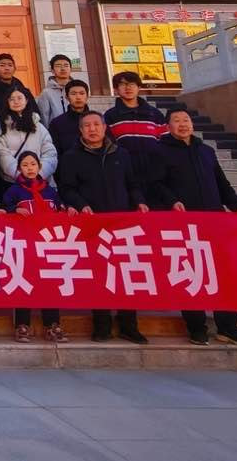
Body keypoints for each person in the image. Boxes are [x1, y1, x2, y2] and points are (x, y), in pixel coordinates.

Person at [151, 106, 237, 346]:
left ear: (192, 123)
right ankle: (196, 327)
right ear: (168, 126)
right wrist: (172, 201)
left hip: (214, 220)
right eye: (176, 121)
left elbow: (221, 182)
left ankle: (228, 328)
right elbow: (155, 184)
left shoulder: (206, 151)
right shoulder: (159, 151)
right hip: (183, 222)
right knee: (190, 274)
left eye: (185, 120)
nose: (182, 124)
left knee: (223, 274)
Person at [56, 111, 151, 344]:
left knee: (125, 275)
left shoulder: (121, 154)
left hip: (121, 224)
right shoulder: (71, 157)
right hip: (92, 224)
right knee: (99, 275)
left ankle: (129, 325)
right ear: (80, 130)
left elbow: (132, 184)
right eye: (87, 126)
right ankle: (102, 325)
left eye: (96, 124)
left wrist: (139, 201)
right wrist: (81, 204)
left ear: (105, 127)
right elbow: (66, 188)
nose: (92, 129)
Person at [1, 151, 70, 343]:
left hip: (47, 245)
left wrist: (68, 210)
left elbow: (60, 210)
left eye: (33, 164)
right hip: (24, 245)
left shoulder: (50, 191)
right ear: (19, 169)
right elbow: (2, 211)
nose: (29, 168)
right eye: (25, 165)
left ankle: (52, 324)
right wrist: (14, 210)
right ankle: (22, 325)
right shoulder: (14, 191)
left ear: (39, 167)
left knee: (49, 284)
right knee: (24, 283)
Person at [104, 71, 168, 194]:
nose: (128, 88)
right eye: (123, 84)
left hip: (155, 171)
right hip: (125, 172)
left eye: (132, 84)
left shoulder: (155, 114)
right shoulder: (110, 116)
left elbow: (165, 141)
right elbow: (108, 145)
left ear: (139, 87)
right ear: (116, 89)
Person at [0, 88, 58, 188]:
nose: (16, 102)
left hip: (40, 182)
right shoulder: (2, 128)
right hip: (13, 183)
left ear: (27, 100)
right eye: (12, 99)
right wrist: (20, 175)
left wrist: (39, 174)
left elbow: (50, 153)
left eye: (20, 98)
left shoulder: (38, 126)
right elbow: (3, 155)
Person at [0, 52, 35, 121]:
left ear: (15, 68)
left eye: (10, 65)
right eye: (2, 65)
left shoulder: (23, 90)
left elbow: (35, 111)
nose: (7, 68)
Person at [47, 79, 91, 158]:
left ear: (87, 96)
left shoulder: (97, 120)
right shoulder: (57, 123)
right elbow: (53, 151)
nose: (78, 97)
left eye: (82, 93)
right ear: (67, 97)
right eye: (73, 94)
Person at [36, 53, 75, 124]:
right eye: (58, 66)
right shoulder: (46, 93)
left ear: (71, 69)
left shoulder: (77, 89)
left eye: (66, 65)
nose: (63, 69)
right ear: (52, 70)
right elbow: (44, 116)